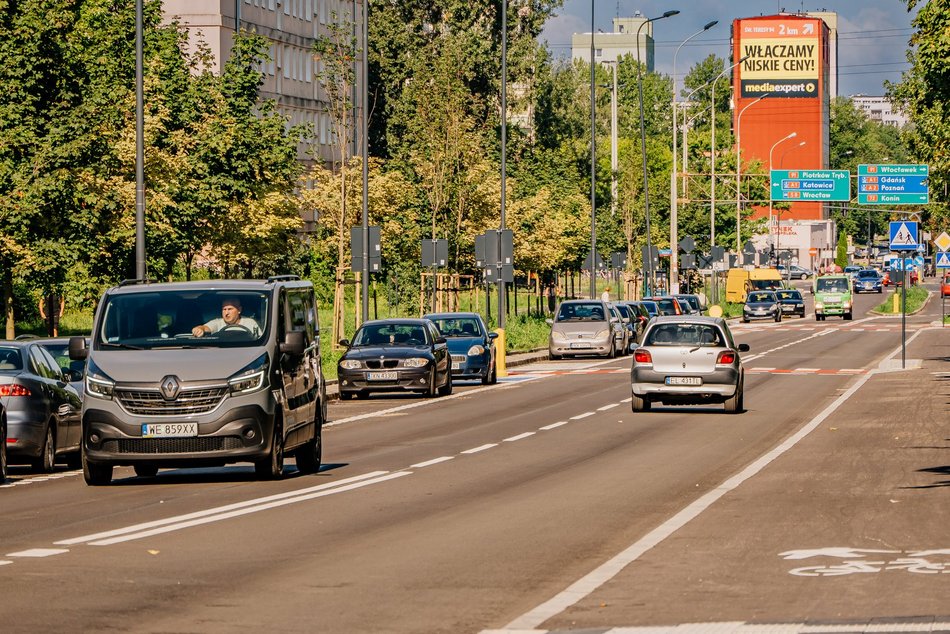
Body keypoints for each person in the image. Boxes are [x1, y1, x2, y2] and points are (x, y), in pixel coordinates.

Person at [193, 297, 260, 337]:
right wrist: (199, 329)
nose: (226, 313)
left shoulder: (250, 323)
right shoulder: (218, 322)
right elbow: (205, 327)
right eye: (224, 309)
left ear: (239, 310)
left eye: (230, 309)